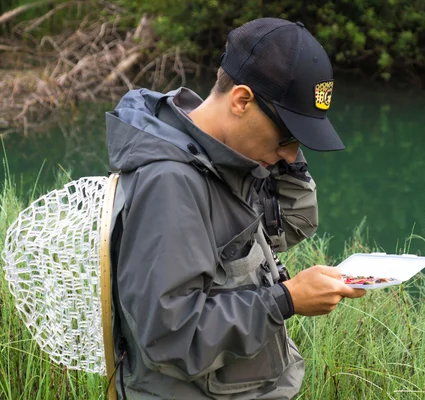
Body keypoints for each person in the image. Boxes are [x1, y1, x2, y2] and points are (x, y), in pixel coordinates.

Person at [106, 17, 366, 400]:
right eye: (288, 137)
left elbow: (291, 225)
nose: (293, 154)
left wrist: (283, 160)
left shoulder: (226, 159)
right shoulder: (170, 184)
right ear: (242, 100)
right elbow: (170, 337)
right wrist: (287, 299)